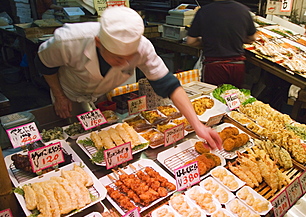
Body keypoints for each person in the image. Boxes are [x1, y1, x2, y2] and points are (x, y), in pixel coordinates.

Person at [34, 6, 222, 149]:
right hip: (69, 91)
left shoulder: (142, 46)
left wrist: (198, 126)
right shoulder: (69, 40)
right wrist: (60, 96)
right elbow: (43, 63)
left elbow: (170, 85)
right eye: (117, 57)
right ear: (99, 43)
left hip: (99, 92)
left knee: (102, 135)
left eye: (130, 56)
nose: (125, 62)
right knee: (75, 139)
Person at [186, 0, 257, 88]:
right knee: (234, 97)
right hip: (237, 66)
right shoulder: (244, 10)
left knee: (213, 98)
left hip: (214, 66)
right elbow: (252, 38)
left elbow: (191, 41)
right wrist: (235, 39)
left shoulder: (204, 11)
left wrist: (207, 41)